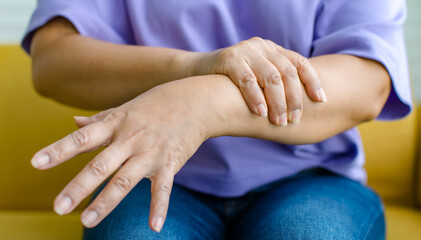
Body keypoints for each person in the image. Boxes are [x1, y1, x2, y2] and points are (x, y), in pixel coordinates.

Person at [23, 0, 411, 239]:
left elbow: (368, 82)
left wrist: (204, 102)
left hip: (312, 178)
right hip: (153, 173)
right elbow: (53, 58)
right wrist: (192, 67)